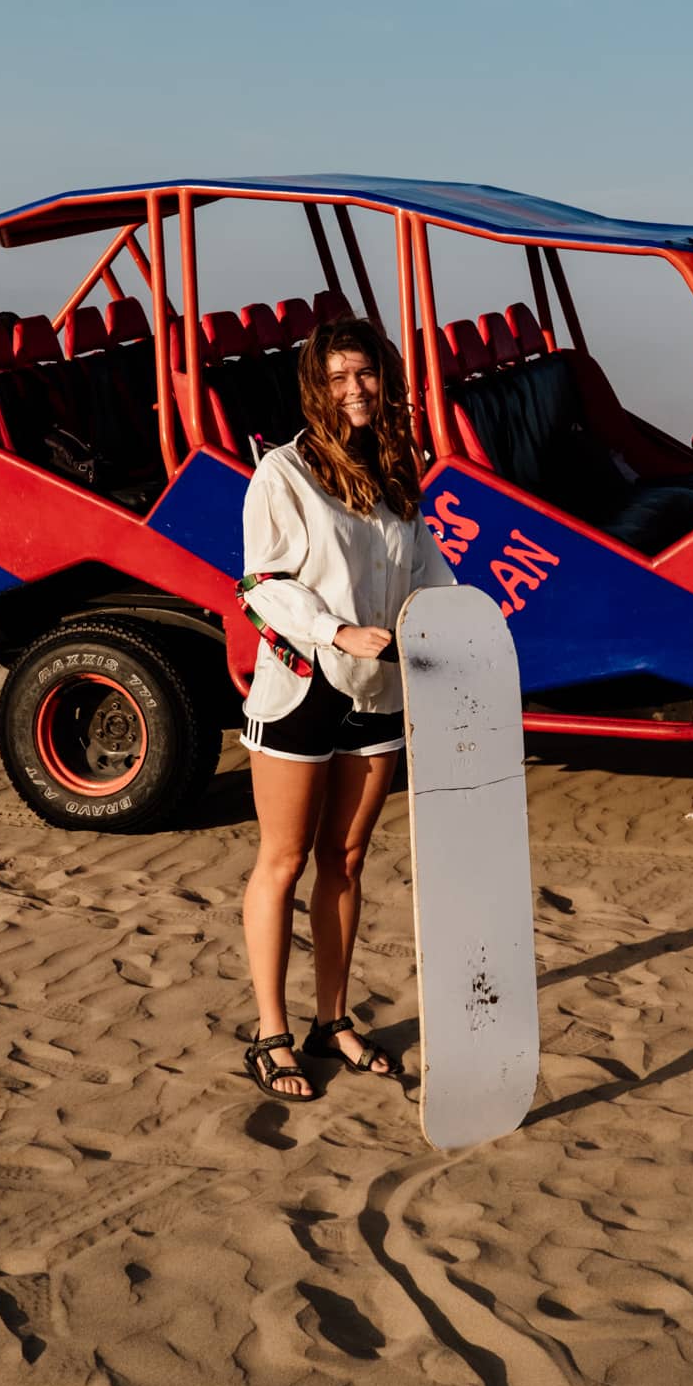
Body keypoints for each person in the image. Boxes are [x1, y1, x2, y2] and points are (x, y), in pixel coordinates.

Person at [237, 315, 456, 1101]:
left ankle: (333, 1020)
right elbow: (260, 586)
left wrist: (463, 625)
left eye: (364, 374)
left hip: (377, 692)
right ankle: (270, 1031)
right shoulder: (283, 475)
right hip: (302, 686)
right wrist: (335, 630)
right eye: (337, 378)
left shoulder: (396, 468)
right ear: (315, 387)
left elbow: (425, 565)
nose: (354, 389)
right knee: (284, 861)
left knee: (348, 860)